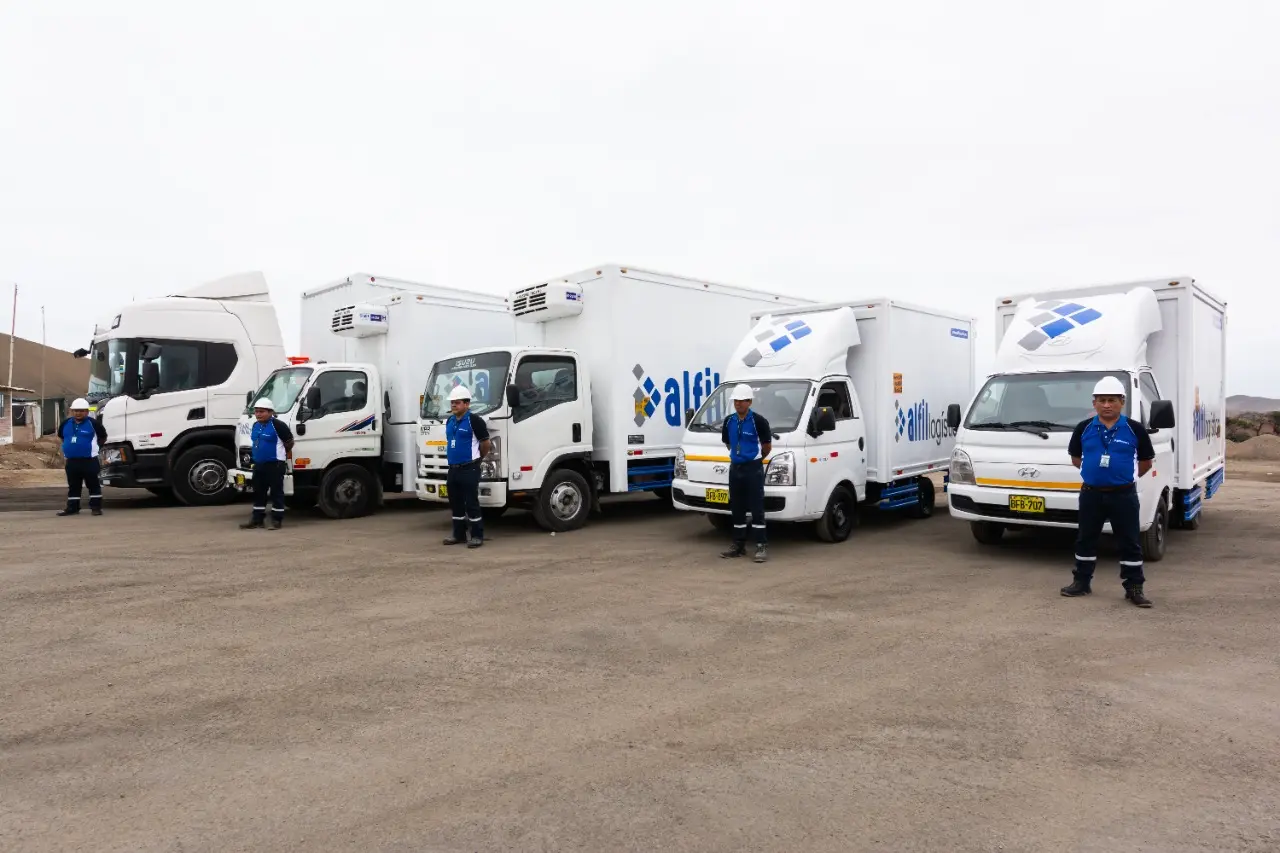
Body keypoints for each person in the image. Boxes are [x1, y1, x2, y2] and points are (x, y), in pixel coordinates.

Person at [1061, 376, 1156, 607]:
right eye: (1101, 400)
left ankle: (1134, 588)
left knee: (1130, 542)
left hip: (1124, 495)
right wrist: (1095, 475)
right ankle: (1081, 582)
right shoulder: (1083, 428)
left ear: (1122, 402)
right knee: (1085, 539)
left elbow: (1146, 462)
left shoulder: (1135, 429)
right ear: (1094, 403)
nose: (1106, 405)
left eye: (1112, 400)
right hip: (1091, 494)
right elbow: (1076, 458)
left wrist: (1123, 478)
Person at [720, 383, 772, 563]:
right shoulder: (729, 421)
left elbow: (767, 447)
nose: (738, 404)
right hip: (736, 468)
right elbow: (728, 443)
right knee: (737, 508)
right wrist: (739, 457)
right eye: (736, 400)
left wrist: (753, 459)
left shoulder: (759, 421)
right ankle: (738, 545)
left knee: (757, 508)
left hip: (753, 469)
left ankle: (761, 545)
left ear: (749, 401)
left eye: (742, 400)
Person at [444, 384, 492, 548]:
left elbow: (485, 443)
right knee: (455, 502)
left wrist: (478, 459)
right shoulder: (450, 421)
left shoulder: (474, 420)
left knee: (471, 502)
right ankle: (459, 534)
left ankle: (477, 535)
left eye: (457, 402)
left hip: (469, 468)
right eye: (452, 402)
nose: (453, 405)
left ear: (466, 404)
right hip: (453, 469)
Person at [240, 398, 293, 530]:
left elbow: (289, 442)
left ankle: (276, 520)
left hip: (275, 464)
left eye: (262, 411)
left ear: (270, 412)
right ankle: (257, 520)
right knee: (259, 492)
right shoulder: (255, 425)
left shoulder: (278, 425)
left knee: (276, 493)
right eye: (257, 411)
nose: (258, 414)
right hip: (259, 464)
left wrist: (281, 455)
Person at [57, 398, 108, 517]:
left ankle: (96, 508)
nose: (78, 413)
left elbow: (103, 437)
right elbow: (62, 437)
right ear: (71, 411)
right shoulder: (65, 423)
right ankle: (72, 508)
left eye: (81, 411)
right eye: (75, 411)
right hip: (72, 461)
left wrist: (95, 448)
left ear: (87, 411)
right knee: (73, 485)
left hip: (89, 461)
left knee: (93, 484)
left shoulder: (93, 423)